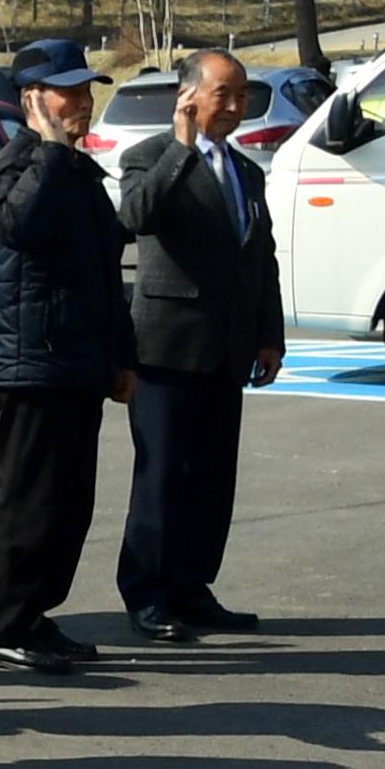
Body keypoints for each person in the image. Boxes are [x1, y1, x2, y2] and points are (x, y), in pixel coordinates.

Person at [0, 38, 137, 674]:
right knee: (31, 501)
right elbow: (22, 227)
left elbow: (103, 273)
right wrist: (46, 146)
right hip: (33, 361)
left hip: (78, 362)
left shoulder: (75, 171)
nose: (81, 103)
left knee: (69, 504)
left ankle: (36, 614)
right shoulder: (19, 166)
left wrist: (122, 357)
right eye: (66, 91)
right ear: (32, 101)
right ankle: (3, 625)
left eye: (86, 90)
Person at [113, 51, 287, 642]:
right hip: (165, 349)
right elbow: (137, 215)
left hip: (228, 348)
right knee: (161, 476)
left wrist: (269, 335)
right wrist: (182, 148)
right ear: (188, 98)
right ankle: (147, 592)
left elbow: (259, 259)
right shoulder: (147, 158)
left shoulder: (247, 172)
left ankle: (192, 586)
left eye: (242, 97)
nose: (235, 108)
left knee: (212, 478)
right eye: (224, 95)